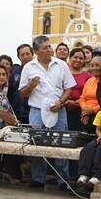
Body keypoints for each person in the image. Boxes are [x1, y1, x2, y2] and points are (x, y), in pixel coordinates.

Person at [19, 35, 75, 190]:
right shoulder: (29, 67)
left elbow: (69, 87)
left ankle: (63, 179)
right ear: (36, 51)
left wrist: (61, 102)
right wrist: (31, 85)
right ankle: (38, 178)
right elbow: (22, 93)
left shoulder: (61, 65)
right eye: (45, 48)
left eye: (50, 46)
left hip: (58, 109)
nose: (49, 50)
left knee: (60, 143)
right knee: (37, 143)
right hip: (37, 110)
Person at [63, 47, 92, 135]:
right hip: (63, 109)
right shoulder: (62, 73)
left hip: (81, 111)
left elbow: (89, 95)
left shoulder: (88, 76)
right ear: (70, 58)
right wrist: (66, 101)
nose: (78, 60)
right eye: (75, 57)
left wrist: (77, 103)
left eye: (81, 58)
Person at [8, 43, 33, 123]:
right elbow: (10, 93)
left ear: (32, 54)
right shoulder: (15, 72)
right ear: (18, 57)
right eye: (22, 55)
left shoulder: (39, 70)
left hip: (33, 112)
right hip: (17, 113)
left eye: (27, 54)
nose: (25, 57)